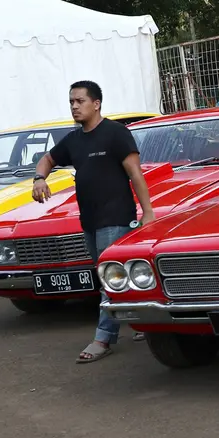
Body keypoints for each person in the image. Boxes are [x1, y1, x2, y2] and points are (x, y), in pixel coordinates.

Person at [32, 80, 157, 363]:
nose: (75, 106)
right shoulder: (74, 140)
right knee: (115, 278)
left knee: (108, 280)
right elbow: (47, 159)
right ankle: (144, 323)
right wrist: (40, 178)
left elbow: (135, 174)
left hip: (116, 219)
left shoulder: (115, 133)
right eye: (71, 102)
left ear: (96, 103)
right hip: (89, 220)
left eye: (80, 101)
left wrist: (148, 212)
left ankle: (103, 338)